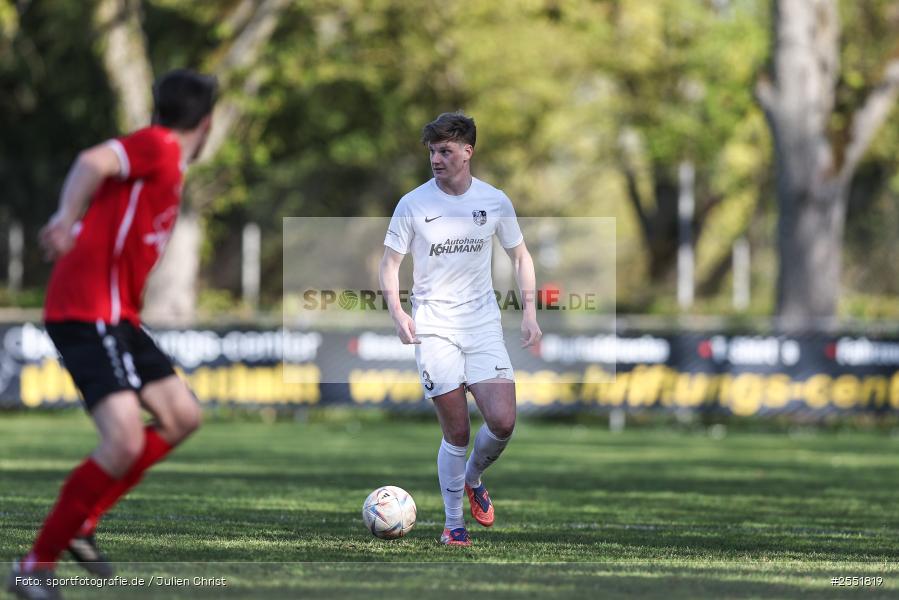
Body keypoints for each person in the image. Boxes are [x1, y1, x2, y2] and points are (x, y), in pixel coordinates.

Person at [7, 69, 217, 600]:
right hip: (86, 309)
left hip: (117, 315)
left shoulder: (168, 162)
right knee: (123, 439)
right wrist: (64, 218)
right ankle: (35, 566)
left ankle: (84, 520)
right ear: (207, 124)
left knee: (182, 416)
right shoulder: (159, 145)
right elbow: (92, 160)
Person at [379, 112, 541, 546]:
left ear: (467, 152)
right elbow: (389, 264)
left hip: (482, 324)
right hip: (434, 327)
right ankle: (453, 526)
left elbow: (521, 257)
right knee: (457, 432)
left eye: (445, 151)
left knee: (503, 422)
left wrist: (529, 313)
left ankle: (473, 478)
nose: (436, 159)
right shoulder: (413, 204)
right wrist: (397, 312)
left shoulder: (494, 200)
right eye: (432, 151)